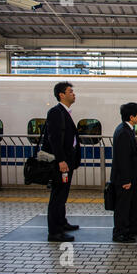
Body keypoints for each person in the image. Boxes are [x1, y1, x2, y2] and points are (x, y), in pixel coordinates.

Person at [42, 82, 81, 242]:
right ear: (61, 95)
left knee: (62, 194)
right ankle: (55, 232)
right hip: (61, 163)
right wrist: (61, 160)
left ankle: (62, 223)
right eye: (70, 91)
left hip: (67, 162)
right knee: (57, 196)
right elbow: (54, 138)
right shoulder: (55, 112)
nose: (73, 94)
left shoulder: (64, 112)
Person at [110, 102, 137, 243]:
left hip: (130, 177)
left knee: (133, 204)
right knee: (123, 207)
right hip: (123, 179)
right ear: (131, 117)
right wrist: (126, 180)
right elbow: (123, 159)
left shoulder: (127, 129)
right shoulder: (123, 132)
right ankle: (119, 233)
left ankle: (132, 228)